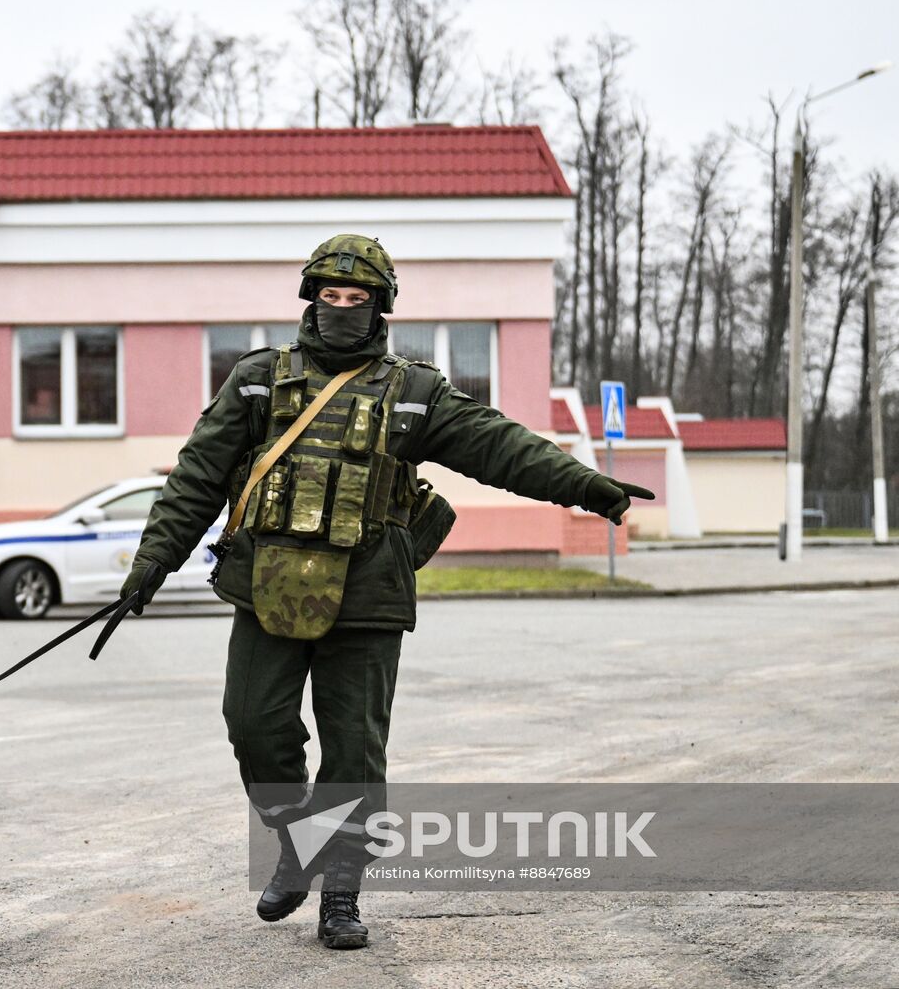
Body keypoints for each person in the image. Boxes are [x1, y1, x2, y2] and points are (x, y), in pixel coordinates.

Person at [120, 233, 653, 950]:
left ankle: (340, 891)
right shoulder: (255, 379)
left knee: (354, 750)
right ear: (311, 300)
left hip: (367, 591)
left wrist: (590, 487)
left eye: (357, 299)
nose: (342, 310)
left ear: (381, 308)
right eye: (330, 298)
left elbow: (499, 446)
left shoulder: (412, 390)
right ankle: (297, 841)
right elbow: (196, 477)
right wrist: (151, 563)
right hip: (268, 585)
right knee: (253, 724)